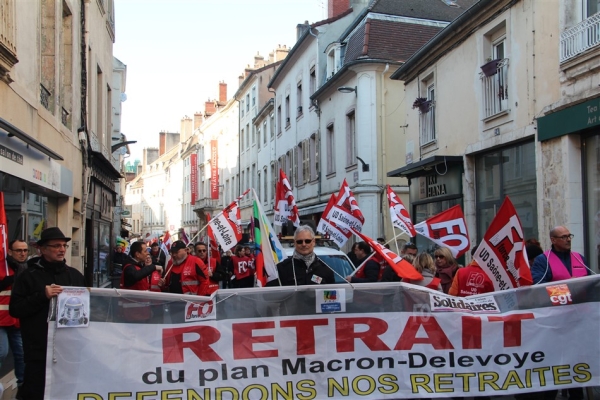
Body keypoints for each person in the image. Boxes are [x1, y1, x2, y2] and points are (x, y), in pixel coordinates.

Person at [10, 227, 85, 400]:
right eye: (56, 246)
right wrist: (41, 296)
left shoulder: (74, 276)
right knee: (36, 391)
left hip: (68, 349)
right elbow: (16, 309)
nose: (62, 249)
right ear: (43, 249)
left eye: (64, 245)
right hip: (38, 349)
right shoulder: (29, 276)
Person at [529, 227, 588, 400]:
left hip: (578, 321)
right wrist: (565, 287)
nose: (568, 239)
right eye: (563, 237)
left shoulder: (579, 258)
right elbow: (537, 284)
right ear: (553, 240)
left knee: (576, 364)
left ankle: (576, 395)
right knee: (556, 364)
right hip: (555, 323)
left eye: (569, 236)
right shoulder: (543, 260)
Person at [0, 240, 27, 398]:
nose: (22, 253)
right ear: (10, 252)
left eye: (24, 250)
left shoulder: (27, 269)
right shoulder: (4, 269)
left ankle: (23, 386)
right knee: (2, 352)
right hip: (1, 320)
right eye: (18, 250)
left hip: (17, 320)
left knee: (21, 354)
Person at [267, 225, 334, 286]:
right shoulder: (282, 269)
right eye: (299, 241)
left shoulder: (326, 270)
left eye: (307, 241)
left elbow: (333, 296)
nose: (304, 244)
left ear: (313, 242)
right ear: (295, 243)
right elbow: (271, 295)